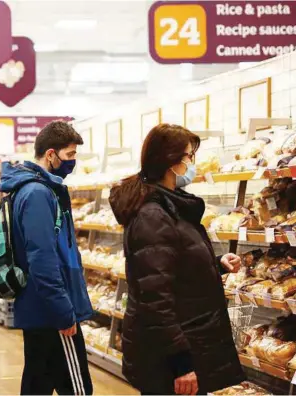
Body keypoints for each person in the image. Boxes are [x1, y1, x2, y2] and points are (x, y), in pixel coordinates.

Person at [108, 124, 245, 395]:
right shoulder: (153, 215)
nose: (191, 163)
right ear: (171, 163)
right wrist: (182, 364)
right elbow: (155, 298)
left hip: (185, 343)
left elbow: (171, 268)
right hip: (168, 357)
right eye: (188, 157)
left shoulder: (170, 206)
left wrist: (215, 265)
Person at [0, 121, 94, 395]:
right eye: (70, 155)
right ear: (51, 154)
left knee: (37, 384)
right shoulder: (38, 194)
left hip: (38, 307)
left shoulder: (31, 189)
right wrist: (64, 313)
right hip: (52, 310)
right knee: (77, 389)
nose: (72, 162)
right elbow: (42, 258)